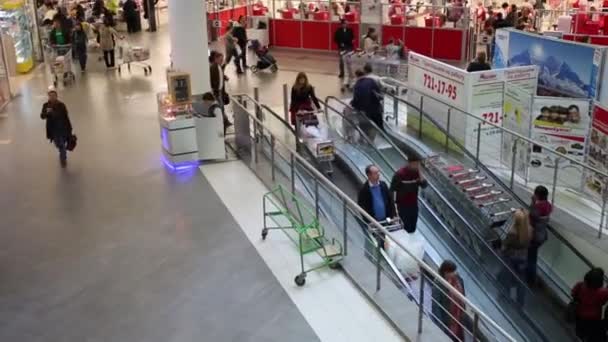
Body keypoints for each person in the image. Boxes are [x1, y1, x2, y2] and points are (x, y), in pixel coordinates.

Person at [358, 165, 396, 249]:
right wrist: (368, 221)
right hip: (375, 223)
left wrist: (394, 215)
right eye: (375, 173)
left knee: (389, 242)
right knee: (379, 243)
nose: (378, 174)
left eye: (378, 172)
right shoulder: (364, 190)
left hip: (387, 220)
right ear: (369, 175)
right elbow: (361, 207)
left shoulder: (383, 185)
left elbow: (390, 201)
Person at [501, 209, 532, 306]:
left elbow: (505, 245)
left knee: (507, 277)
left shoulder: (513, 232)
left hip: (511, 257)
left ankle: (505, 298)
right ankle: (520, 301)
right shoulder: (529, 230)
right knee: (521, 280)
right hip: (523, 257)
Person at [390, 157, 427, 234]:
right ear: (409, 163)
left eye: (417, 164)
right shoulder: (400, 174)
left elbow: (424, 185)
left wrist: (420, 171)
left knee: (412, 227)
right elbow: (392, 190)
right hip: (402, 206)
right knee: (403, 228)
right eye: (415, 164)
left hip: (413, 206)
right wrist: (394, 209)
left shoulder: (417, 173)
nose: (416, 166)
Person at [431, 260, 466, 341]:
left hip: (458, 320)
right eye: (452, 272)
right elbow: (435, 305)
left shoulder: (459, 280)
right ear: (446, 272)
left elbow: (463, 297)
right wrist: (440, 325)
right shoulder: (439, 284)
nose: (455, 273)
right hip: (447, 321)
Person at [571, 268, 608, 342]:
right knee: (591, 335)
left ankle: (581, 336)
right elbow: (603, 302)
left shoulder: (580, 285)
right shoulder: (602, 293)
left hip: (579, 313)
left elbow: (573, 293)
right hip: (593, 319)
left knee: (581, 331)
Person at [40, 86, 73, 167]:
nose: (52, 97)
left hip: (63, 129)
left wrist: (70, 129)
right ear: (48, 96)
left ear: (56, 96)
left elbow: (65, 116)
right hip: (53, 130)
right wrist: (47, 113)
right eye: (50, 96)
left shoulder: (61, 105)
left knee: (61, 145)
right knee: (58, 144)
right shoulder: (45, 105)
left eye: (53, 95)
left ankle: (63, 159)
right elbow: (42, 116)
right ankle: (62, 152)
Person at [527, 185, 552, 284]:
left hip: (534, 236)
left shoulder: (537, 206)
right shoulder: (548, 205)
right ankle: (531, 277)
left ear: (537, 195)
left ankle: (530, 279)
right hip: (542, 235)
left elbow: (532, 215)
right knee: (532, 255)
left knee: (531, 258)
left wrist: (533, 202)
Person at [351, 66, 383, 139]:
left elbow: (357, 98)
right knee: (377, 122)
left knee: (365, 124)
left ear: (357, 76)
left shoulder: (357, 85)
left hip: (364, 109)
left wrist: (353, 105)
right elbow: (378, 92)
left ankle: (364, 138)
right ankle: (377, 136)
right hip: (375, 107)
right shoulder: (371, 81)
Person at [209, 51, 232, 132]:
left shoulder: (218, 66)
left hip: (220, 92)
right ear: (216, 59)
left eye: (222, 59)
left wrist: (224, 77)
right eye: (220, 59)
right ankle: (223, 124)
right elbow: (212, 80)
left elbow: (220, 74)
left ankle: (225, 122)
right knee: (220, 108)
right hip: (217, 93)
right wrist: (214, 90)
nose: (222, 61)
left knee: (221, 108)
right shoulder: (213, 67)